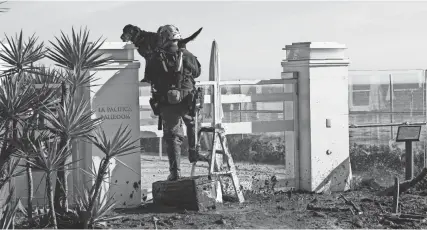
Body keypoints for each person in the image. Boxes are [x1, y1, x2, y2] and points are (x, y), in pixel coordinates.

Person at [145, 24, 204, 181]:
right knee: (193, 125)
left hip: (167, 103)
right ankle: (194, 152)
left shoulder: (155, 57)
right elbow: (197, 72)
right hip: (188, 102)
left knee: (172, 137)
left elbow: (149, 77)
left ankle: (175, 173)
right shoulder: (187, 54)